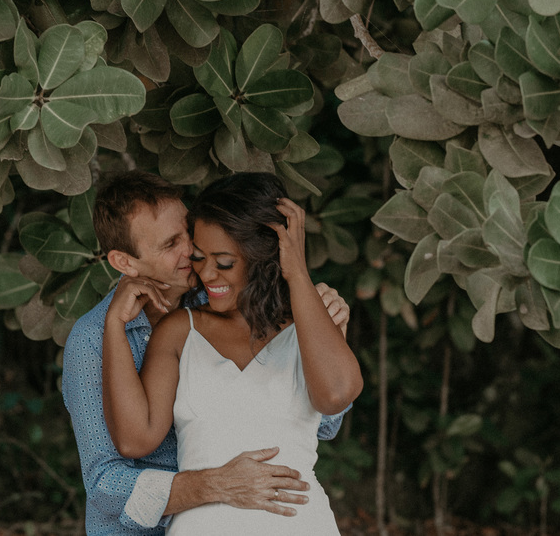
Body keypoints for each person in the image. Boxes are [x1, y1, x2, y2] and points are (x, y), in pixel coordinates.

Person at [61, 171, 351, 535]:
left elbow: (323, 423)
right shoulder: (91, 340)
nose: (192, 252)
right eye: (170, 245)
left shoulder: (222, 296)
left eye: (188, 232)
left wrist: (323, 333)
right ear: (124, 263)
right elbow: (106, 483)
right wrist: (218, 485)